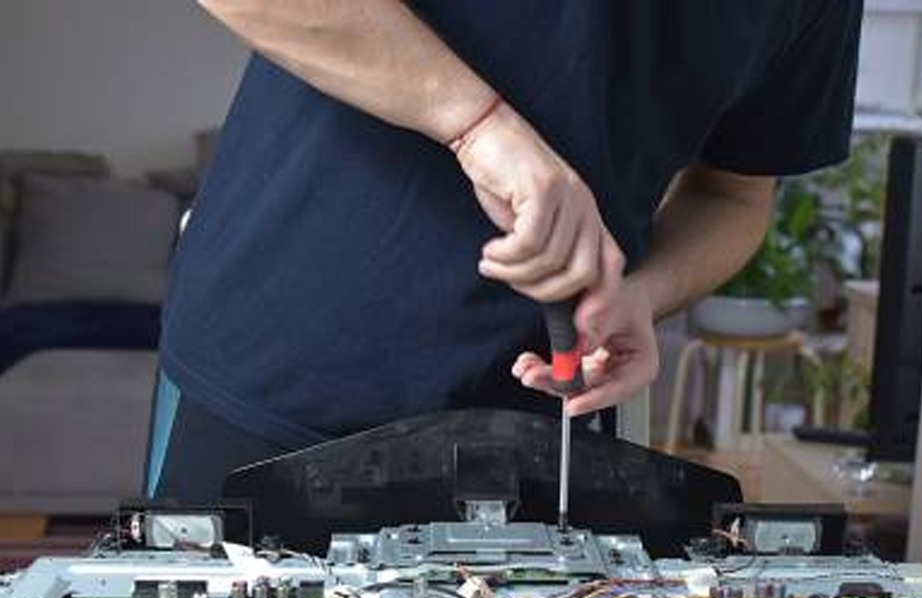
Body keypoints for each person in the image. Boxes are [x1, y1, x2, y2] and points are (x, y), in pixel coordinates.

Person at [147, 0, 863, 502]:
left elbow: (733, 197)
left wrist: (643, 294)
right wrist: (476, 126)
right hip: (268, 371)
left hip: (540, 428)